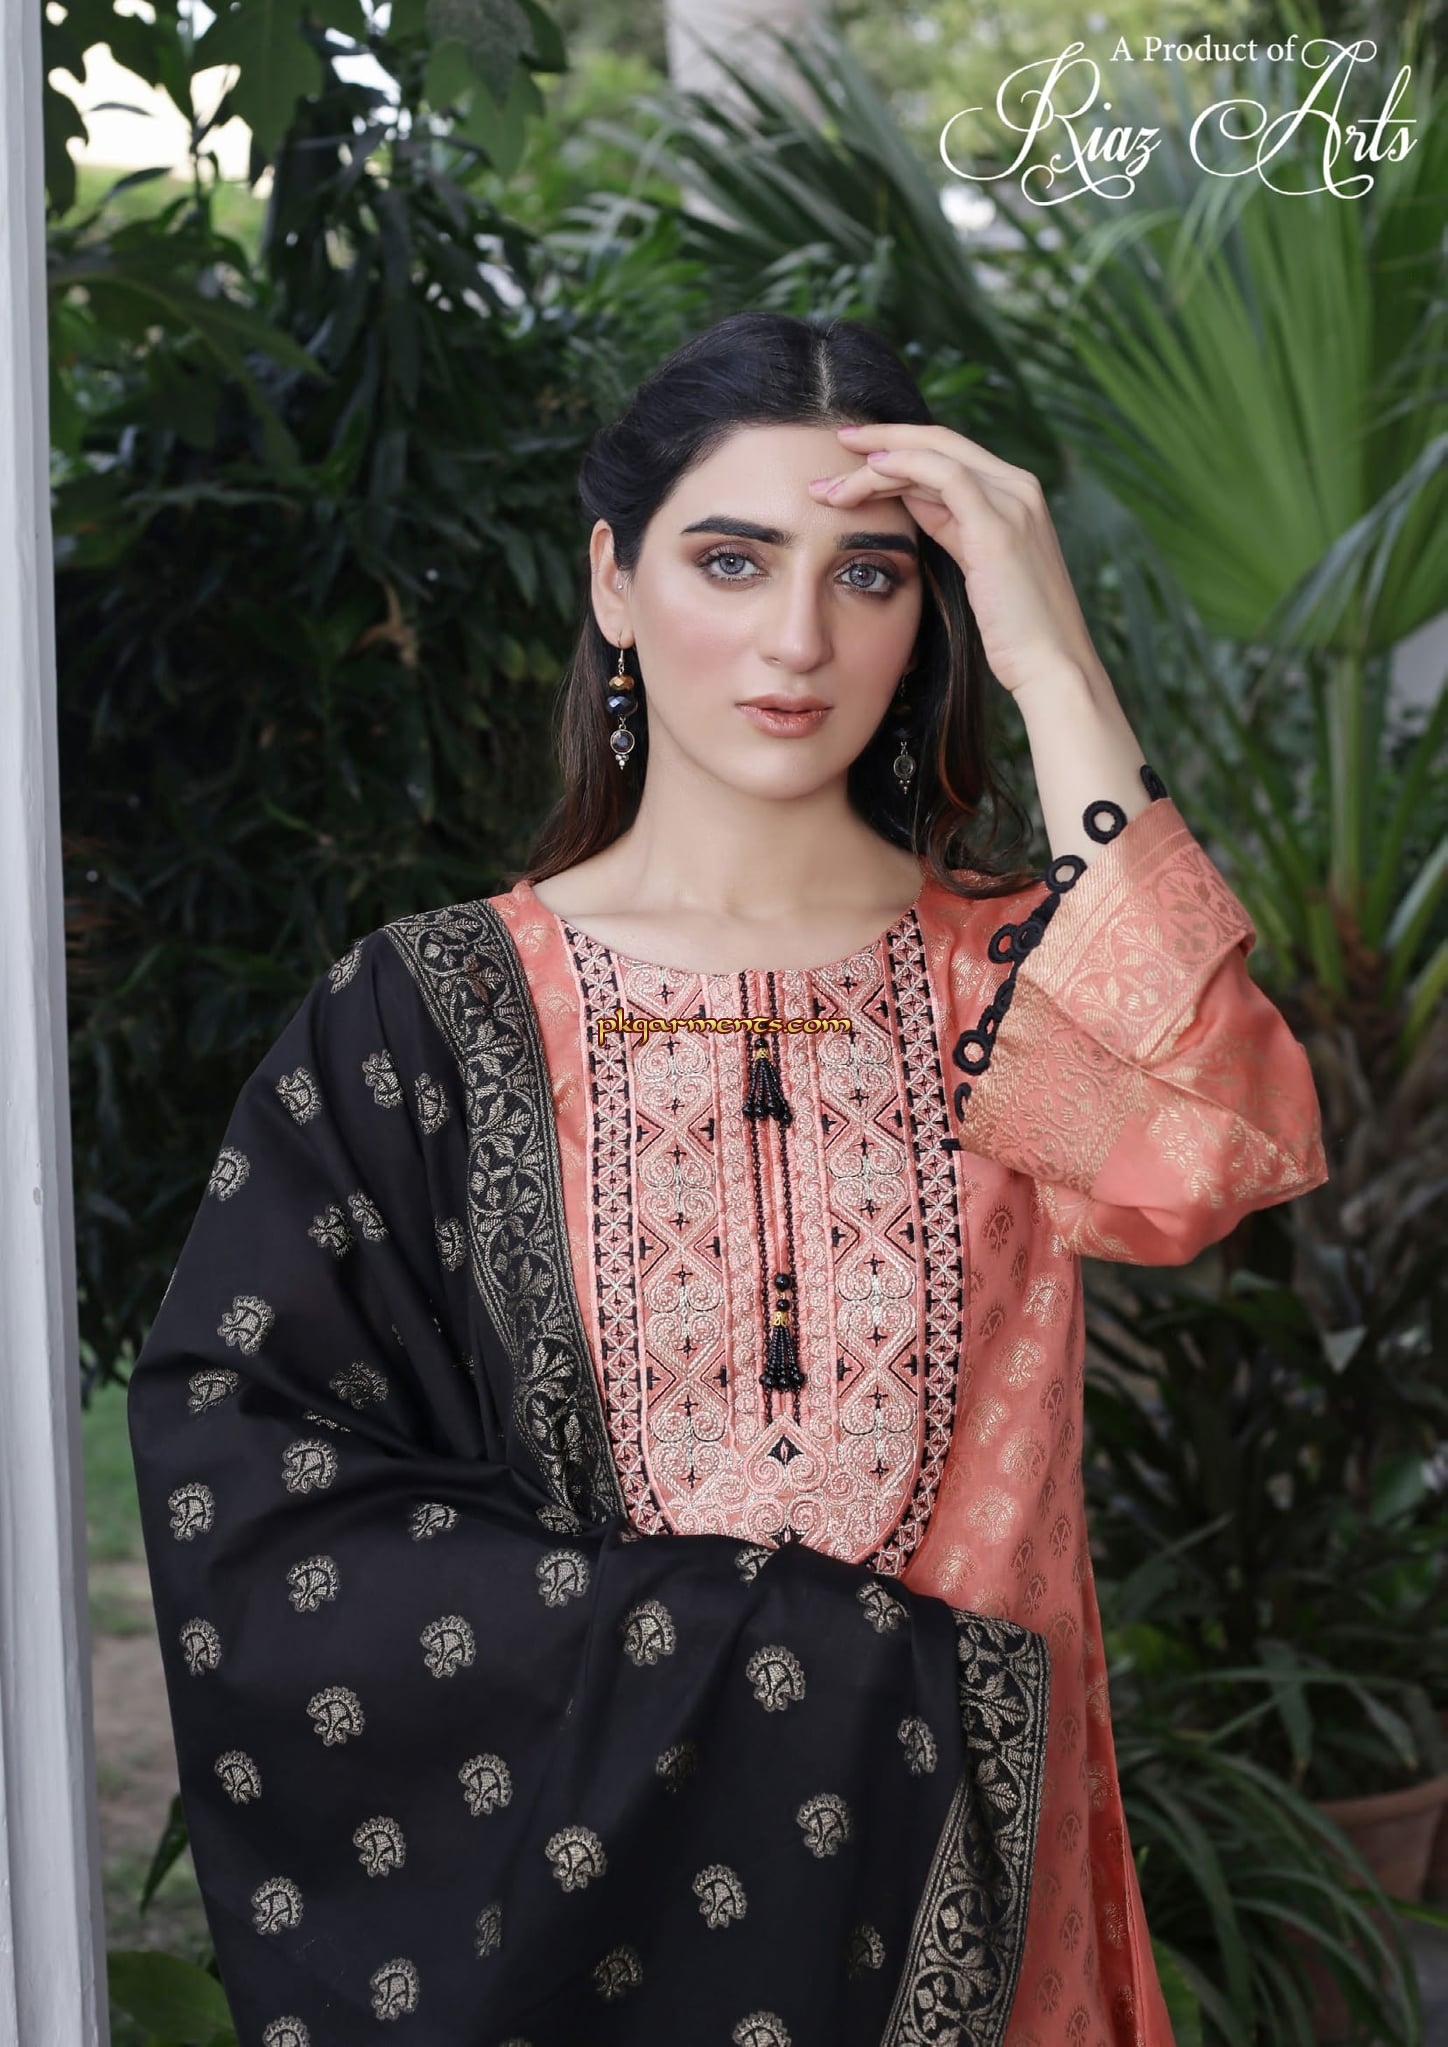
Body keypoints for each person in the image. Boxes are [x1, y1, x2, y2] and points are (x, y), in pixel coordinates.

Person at [127, 311, 1328, 2047]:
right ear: (613, 580)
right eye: (731, 559)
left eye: (872, 577)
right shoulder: (432, 1013)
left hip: (971, 1943)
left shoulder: (1008, 983)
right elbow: (250, 1476)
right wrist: (762, 1644)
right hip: (599, 1937)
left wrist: (1054, 659)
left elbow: (1215, 1139)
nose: (797, 639)